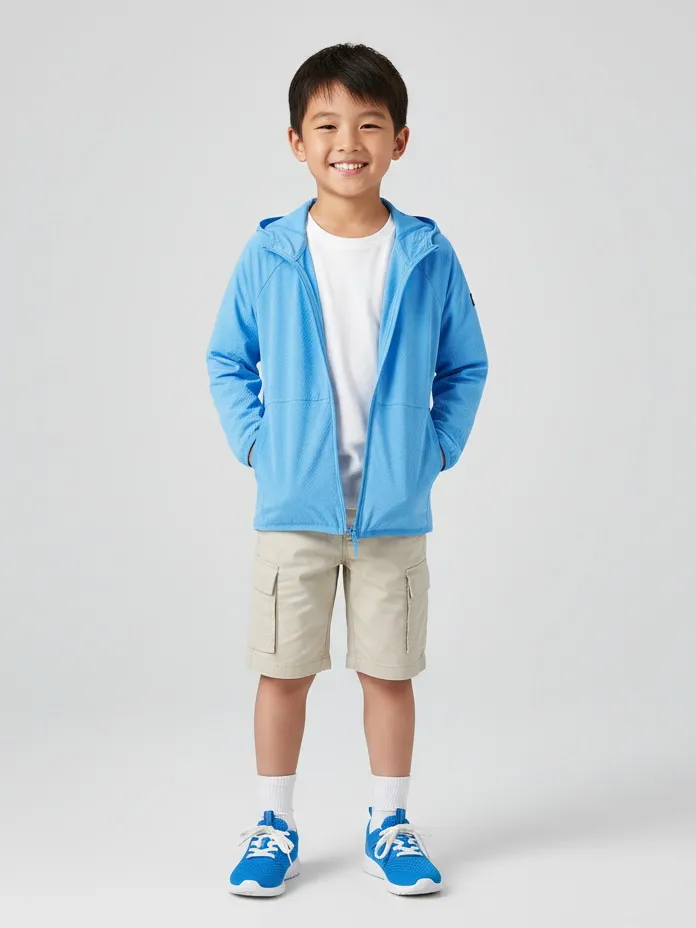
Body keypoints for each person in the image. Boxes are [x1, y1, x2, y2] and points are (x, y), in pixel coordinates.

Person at [206, 42, 488, 898]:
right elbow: (228, 361)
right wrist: (260, 446)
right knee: (282, 670)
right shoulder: (270, 253)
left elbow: (465, 366)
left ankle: (388, 823)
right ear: (297, 141)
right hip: (293, 507)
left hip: (393, 509)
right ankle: (273, 823)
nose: (347, 142)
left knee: (389, 674)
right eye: (326, 125)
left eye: (369, 124)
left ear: (399, 140)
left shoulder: (428, 254)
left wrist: (434, 449)